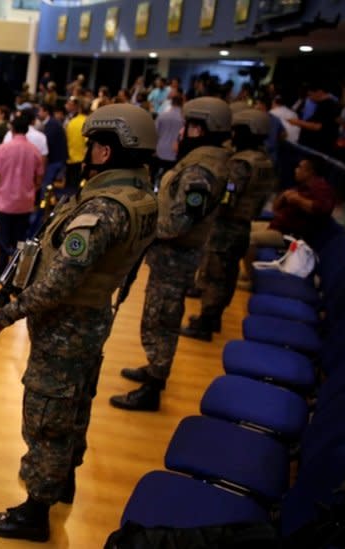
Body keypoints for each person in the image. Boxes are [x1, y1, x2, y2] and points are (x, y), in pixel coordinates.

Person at [0, 104, 159, 542]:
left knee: (46, 418)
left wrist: (4, 316)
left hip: (67, 327)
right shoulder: (141, 197)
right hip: (92, 320)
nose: (88, 151)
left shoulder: (104, 208)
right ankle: (63, 481)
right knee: (74, 406)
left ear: (109, 151)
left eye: (95, 144)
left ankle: (35, 511)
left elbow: (58, 284)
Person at [110, 97, 233, 412]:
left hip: (175, 257)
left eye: (190, 127)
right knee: (159, 315)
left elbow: (181, 220)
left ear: (202, 128)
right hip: (173, 257)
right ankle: (154, 369)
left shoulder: (200, 168)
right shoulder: (209, 160)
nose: (184, 134)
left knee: (162, 318)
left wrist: (148, 230)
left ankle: (153, 386)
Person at [181, 109, 277, 341]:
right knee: (227, 274)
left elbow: (228, 196)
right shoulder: (263, 160)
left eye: (237, 130)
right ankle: (213, 319)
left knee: (215, 275)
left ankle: (205, 323)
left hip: (227, 226)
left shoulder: (241, 163)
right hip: (242, 226)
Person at [0, 114, 43, 288]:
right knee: (20, 240)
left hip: (5, 202)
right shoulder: (34, 150)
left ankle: (0, 273)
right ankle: (18, 277)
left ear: (12, 129)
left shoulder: (3, 149)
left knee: (3, 241)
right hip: (24, 203)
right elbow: (39, 180)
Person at [291, 81, 340, 155]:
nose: (309, 98)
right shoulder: (322, 104)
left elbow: (317, 126)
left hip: (320, 148)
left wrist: (297, 122)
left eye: (310, 95)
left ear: (319, 92)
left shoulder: (328, 105)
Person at [38, 103, 68, 196]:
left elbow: (47, 144)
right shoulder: (51, 123)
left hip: (55, 160)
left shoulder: (52, 125)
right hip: (55, 159)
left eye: (40, 111)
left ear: (46, 112)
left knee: (46, 185)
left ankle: (45, 207)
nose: (38, 113)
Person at [153, 94, 184, 183]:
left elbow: (155, 132)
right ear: (182, 103)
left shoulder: (162, 116)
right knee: (169, 179)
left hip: (160, 149)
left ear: (171, 102)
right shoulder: (183, 119)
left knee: (155, 175)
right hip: (174, 152)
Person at [64, 98, 88, 194]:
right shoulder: (87, 123)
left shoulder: (71, 122)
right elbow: (87, 143)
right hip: (81, 161)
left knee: (68, 188)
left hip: (70, 159)